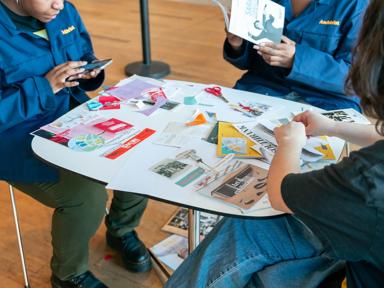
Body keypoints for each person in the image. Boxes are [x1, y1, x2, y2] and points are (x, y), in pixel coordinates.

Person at [166, 0, 384, 287]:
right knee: (210, 145)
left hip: (322, 100)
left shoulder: (355, 6)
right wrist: (235, 43)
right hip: (263, 90)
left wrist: (298, 59)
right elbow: (246, 59)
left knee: (250, 226)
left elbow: (281, 195)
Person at [0, 1, 151, 287]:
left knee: (138, 155)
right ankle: (68, 274)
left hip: (73, 117)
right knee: (86, 196)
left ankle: (121, 230)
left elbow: (83, 54)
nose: (60, 3)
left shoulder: (63, 10)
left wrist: (90, 71)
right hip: (16, 139)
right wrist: (44, 87)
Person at [225, 0, 369, 111]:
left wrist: (296, 59)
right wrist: (237, 44)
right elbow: (251, 60)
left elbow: (357, 80)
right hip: (264, 86)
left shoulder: (358, 5)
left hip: (329, 99)